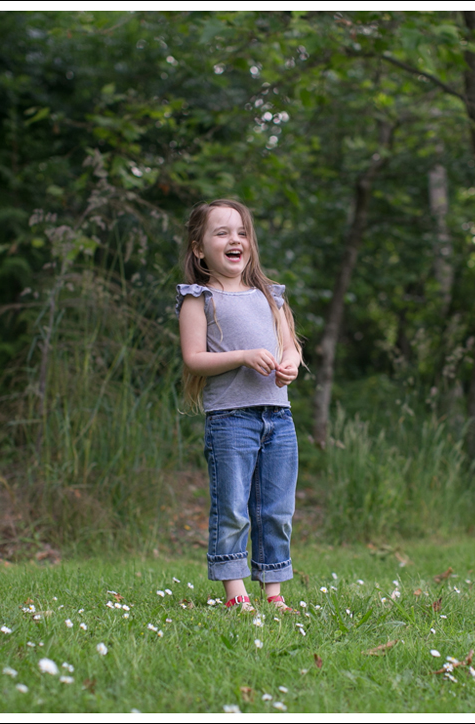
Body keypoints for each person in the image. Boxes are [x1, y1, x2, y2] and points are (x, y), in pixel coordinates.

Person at [176, 199, 303, 614]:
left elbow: (290, 345)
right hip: (231, 420)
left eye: (242, 232)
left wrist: (290, 364)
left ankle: (274, 592)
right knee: (232, 507)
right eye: (222, 232)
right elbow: (194, 359)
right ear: (199, 249)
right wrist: (244, 356)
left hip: (278, 417)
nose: (235, 239)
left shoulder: (269, 295)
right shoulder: (199, 299)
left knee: (276, 510)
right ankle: (236, 594)